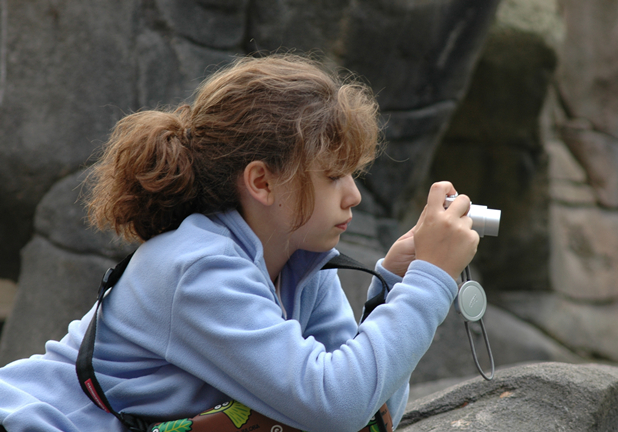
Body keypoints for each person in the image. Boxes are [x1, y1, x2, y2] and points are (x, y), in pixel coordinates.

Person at [0, 54, 479, 432]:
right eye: (334, 175)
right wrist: (431, 282)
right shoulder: (197, 267)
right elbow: (336, 404)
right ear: (262, 183)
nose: (353, 194)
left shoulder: (303, 262)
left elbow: (371, 414)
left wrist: (394, 285)